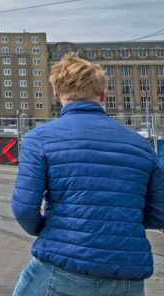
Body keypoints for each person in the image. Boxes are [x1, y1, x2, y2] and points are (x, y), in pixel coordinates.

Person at [11, 54, 164, 296]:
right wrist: (117, 220)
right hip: (127, 274)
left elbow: (24, 209)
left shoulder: (39, 139)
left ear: (57, 95)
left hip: (63, 268)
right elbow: (160, 212)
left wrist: (50, 230)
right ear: (103, 95)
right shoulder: (140, 144)